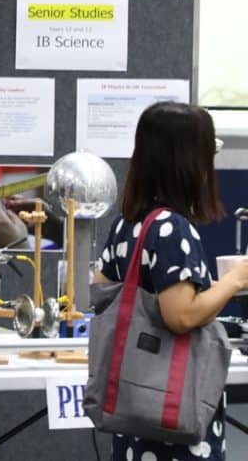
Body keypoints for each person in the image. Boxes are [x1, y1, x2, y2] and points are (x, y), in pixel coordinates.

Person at [92, 101, 248, 461]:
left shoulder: (127, 223)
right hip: (170, 418)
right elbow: (181, 316)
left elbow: (100, 292)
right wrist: (235, 280)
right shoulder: (173, 227)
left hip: (133, 410)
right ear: (189, 161)